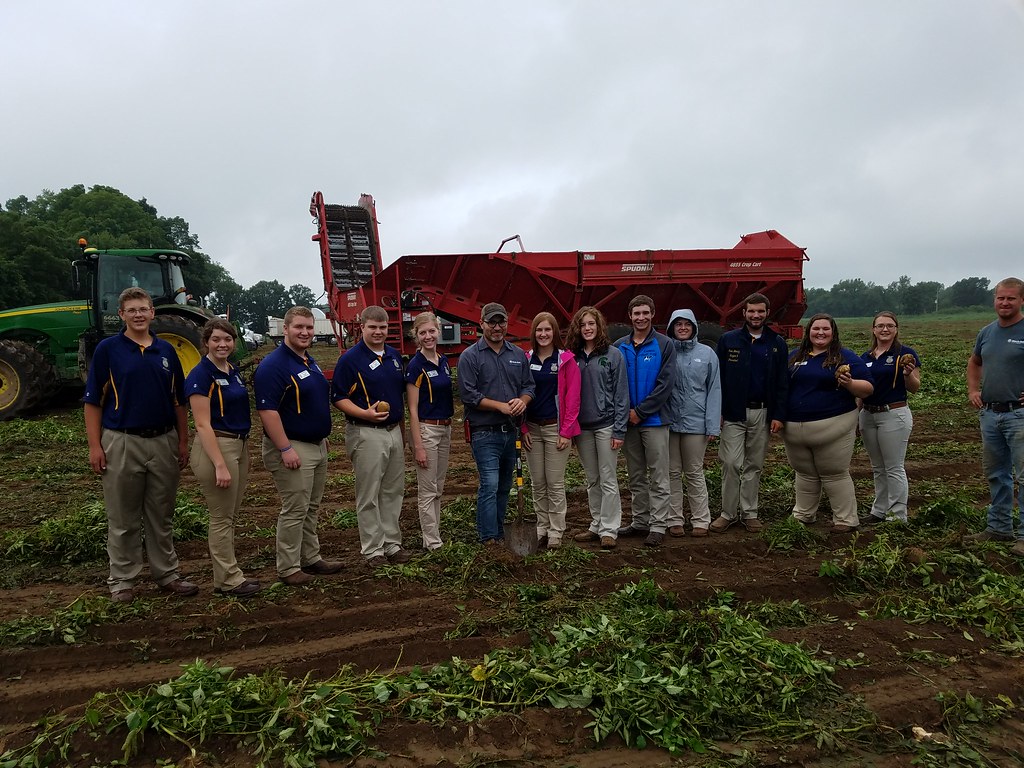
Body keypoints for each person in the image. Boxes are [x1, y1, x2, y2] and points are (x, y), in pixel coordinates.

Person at [83, 287, 198, 603]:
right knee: (123, 516)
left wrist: (183, 441)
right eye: (131, 310)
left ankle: (167, 574)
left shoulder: (166, 351)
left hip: (163, 440)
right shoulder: (109, 350)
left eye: (143, 309)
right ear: (121, 315)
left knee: (161, 514)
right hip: (121, 440)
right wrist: (95, 446)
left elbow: (179, 401)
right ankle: (122, 579)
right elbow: (93, 402)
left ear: (152, 313)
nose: (138, 314)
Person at [254, 306, 343, 585]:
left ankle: (311, 557)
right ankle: (289, 567)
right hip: (293, 446)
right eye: (298, 327)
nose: (304, 332)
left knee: (311, 506)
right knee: (295, 507)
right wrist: (284, 448)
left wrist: (322, 435)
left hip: (315, 445)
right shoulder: (273, 365)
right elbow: (268, 412)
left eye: (309, 327)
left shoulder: (307, 360)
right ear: (285, 330)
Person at [185, 318, 260, 597]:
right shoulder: (200, 376)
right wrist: (219, 464)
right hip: (217, 447)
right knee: (221, 517)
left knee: (230, 515)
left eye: (227, 339)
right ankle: (228, 580)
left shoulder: (231, 371)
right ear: (206, 342)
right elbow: (202, 424)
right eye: (216, 339)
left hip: (238, 446)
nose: (222, 344)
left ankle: (227, 574)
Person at [333, 305, 410, 567]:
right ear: (361, 327)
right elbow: (338, 397)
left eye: (383, 327)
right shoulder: (350, 359)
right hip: (366, 432)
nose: (378, 332)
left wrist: (403, 433)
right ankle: (373, 549)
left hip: (393, 431)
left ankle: (392, 543)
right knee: (369, 494)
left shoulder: (394, 356)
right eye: (372, 327)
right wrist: (364, 414)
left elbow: (399, 396)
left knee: (393, 491)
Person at [782, 313, 873, 533]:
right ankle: (803, 514)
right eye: (816, 329)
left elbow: (868, 388)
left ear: (833, 333)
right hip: (794, 429)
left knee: (833, 472)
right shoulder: (795, 356)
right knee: (804, 473)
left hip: (833, 426)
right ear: (808, 332)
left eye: (825, 329)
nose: (820, 333)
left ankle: (845, 519)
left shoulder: (845, 357)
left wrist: (850, 383)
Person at [458, 302, 535, 545]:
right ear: (481, 324)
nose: (497, 327)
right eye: (491, 322)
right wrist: (500, 406)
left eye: (501, 322)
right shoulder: (470, 356)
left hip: (510, 432)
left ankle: (500, 532)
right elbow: (468, 395)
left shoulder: (517, 355)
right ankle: (488, 537)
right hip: (484, 433)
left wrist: (523, 401)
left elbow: (529, 386)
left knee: (504, 486)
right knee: (489, 485)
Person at [713, 292, 790, 533]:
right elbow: (718, 380)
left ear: (767, 313)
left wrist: (778, 414)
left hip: (762, 413)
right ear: (744, 313)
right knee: (731, 463)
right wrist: (719, 411)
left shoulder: (777, 343)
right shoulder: (729, 340)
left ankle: (749, 513)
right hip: (733, 413)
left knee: (753, 465)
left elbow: (782, 383)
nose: (756, 315)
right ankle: (727, 513)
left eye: (760, 311)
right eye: (751, 311)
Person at [965, 278, 1024, 555]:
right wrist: (973, 389)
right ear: (994, 300)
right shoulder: (987, 332)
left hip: (1019, 414)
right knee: (997, 474)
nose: (1005, 303)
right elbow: (975, 362)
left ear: (1021, 300)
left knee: (1023, 477)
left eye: (1011, 298)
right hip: (990, 414)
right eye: (1001, 298)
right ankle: (999, 528)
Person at [614, 295, 675, 546]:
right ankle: (640, 521)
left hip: (655, 420)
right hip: (628, 422)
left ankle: (659, 525)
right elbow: (615, 383)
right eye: (636, 313)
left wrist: (640, 411)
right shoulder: (620, 346)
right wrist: (626, 412)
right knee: (636, 475)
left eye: (645, 313)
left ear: (653, 314)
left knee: (659, 475)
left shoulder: (664, 344)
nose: (641, 318)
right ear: (630, 316)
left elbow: (665, 384)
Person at [568, 307, 629, 548]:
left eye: (591, 324)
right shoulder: (572, 357)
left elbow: (622, 394)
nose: (587, 328)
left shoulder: (613, 355)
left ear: (599, 326)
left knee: (608, 478)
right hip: (583, 428)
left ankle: (610, 529)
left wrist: (619, 430)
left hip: (607, 425)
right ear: (578, 329)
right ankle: (596, 523)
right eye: (583, 325)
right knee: (592, 479)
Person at [523, 312, 581, 549]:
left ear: (554, 333)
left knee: (554, 483)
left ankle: (556, 530)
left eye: (548, 330)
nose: (543, 334)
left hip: (555, 429)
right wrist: (523, 427)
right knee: (538, 483)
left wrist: (566, 431)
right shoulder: (526, 359)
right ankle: (541, 527)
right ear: (534, 333)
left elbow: (573, 398)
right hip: (532, 429)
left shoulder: (566, 360)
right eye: (539, 330)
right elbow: (520, 394)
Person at [858, 312, 921, 525]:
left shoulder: (906, 354)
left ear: (896, 329)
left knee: (893, 467)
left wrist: (907, 374)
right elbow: (860, 392)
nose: (885, 330)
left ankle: (897, 516)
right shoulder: (865, 358)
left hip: (893, 414)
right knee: (878, 467)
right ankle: (879, 510)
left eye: (890, 326)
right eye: (880, 326)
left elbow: (914, 387)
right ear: (873, 329)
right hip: (868, 414)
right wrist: (855, 418)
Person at [664, 309, 721, 537]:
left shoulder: (707, 354)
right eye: (678, 324)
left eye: (687, 324)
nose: (683, 328)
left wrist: (712, 425)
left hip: (696, 423)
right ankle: (674, 519)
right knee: (672, 472)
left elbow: (714, 390)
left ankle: (700, 519)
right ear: (671, 328)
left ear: (694, 327)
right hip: (669, 422)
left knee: (695, 472)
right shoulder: (666, 352)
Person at [406, 313, 454, 552]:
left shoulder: (443, 361)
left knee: (439, 485)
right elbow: (412, 410)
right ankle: (432, 541)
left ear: (438, 331)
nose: (428, 337)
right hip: (427, 428)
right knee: (427, 488)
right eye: (422, 333)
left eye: (431, 331)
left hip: (445, 428)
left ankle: (435, 535)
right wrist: (418, 445)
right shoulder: (415, 366)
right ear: (416, 336)